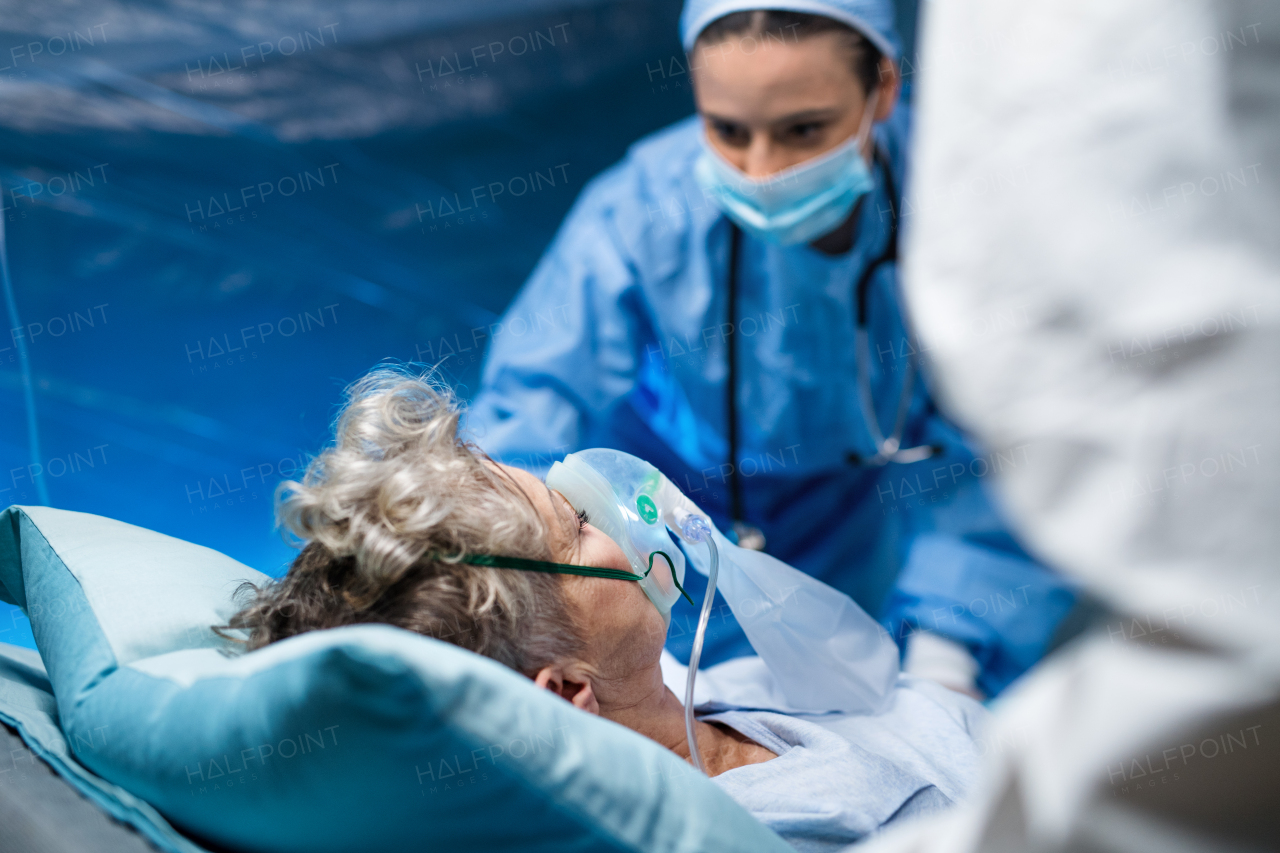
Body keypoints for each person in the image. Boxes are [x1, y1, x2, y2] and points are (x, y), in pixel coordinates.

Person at [464, 0, 1076, 699]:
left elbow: (1013, 442)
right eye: (726, 130)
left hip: (847, 528)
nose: (760, 170)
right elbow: (526, 426)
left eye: (804, 129)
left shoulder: (965, 208)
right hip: (649, 528)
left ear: (884, 87)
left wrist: (950, 651)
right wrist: (566, 610)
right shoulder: (637, 217)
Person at [223, 367, 986, 850]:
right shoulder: (782, 827)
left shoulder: (714, 692)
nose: (628, 519)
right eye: (582, 526)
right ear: (562, 693)